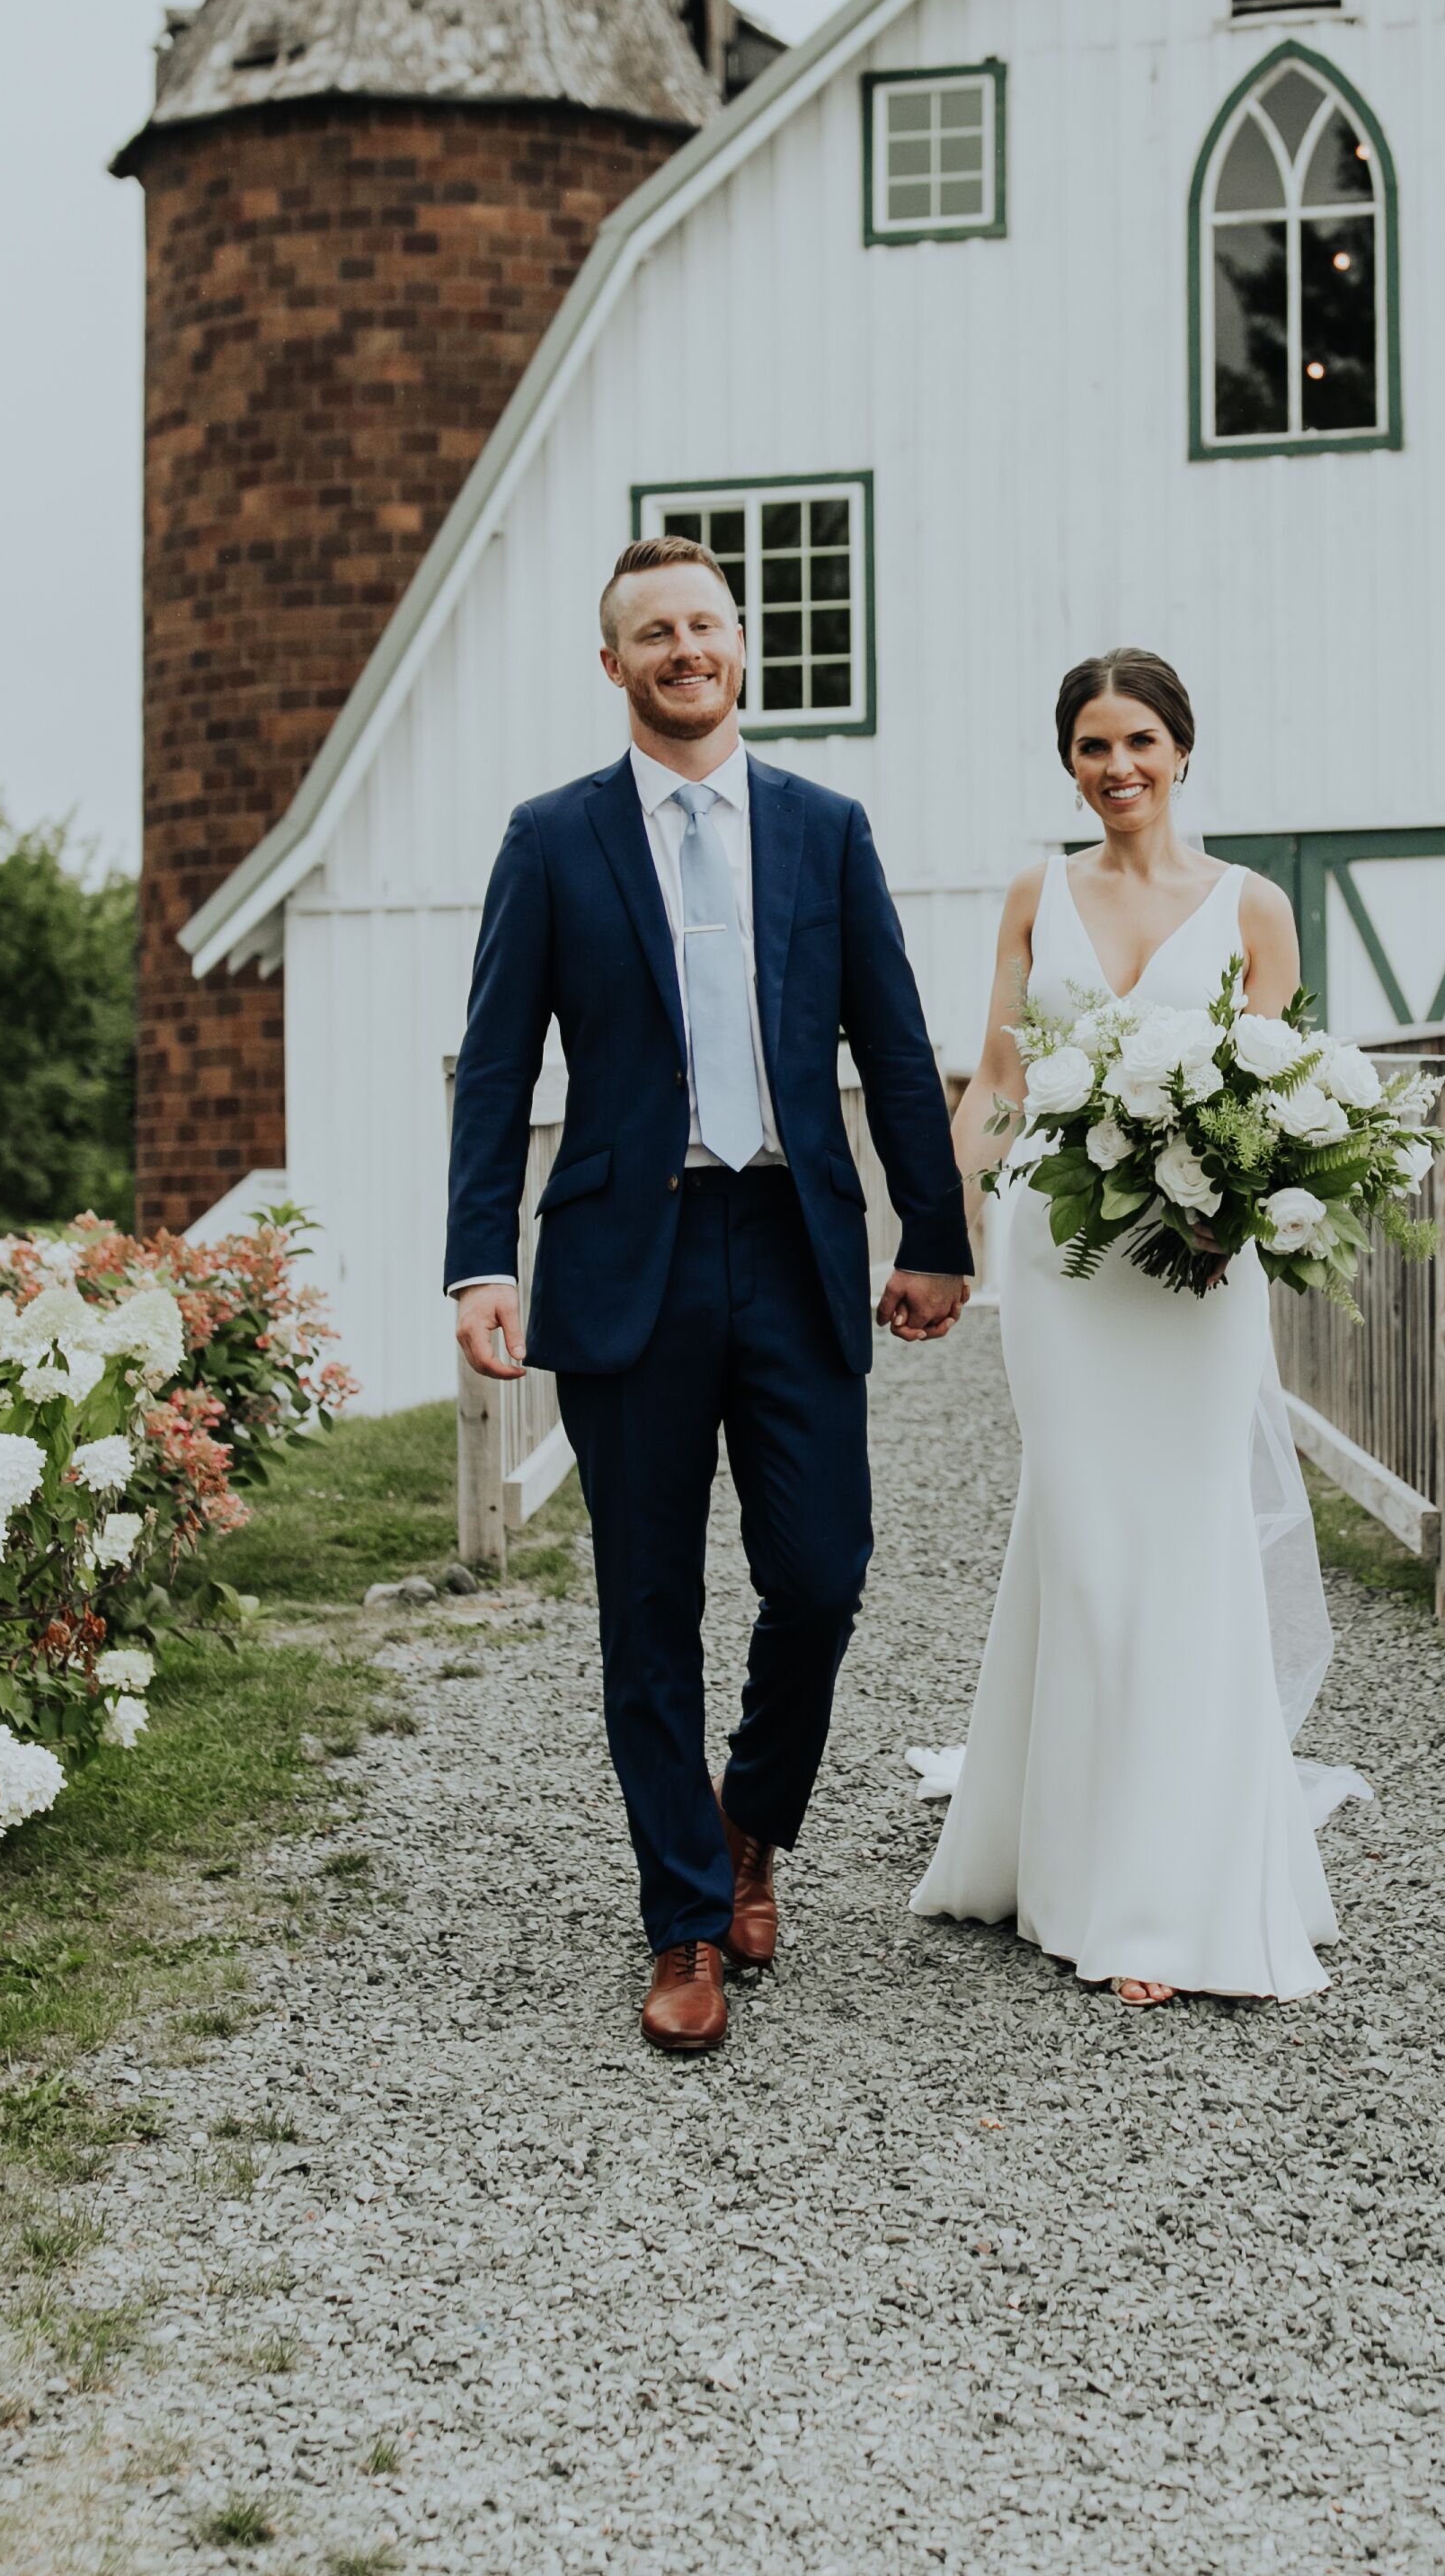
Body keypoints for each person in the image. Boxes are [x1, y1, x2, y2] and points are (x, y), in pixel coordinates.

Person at [445, 538, 973, 2057]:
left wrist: (933, 1232)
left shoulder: (824, 828)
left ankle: (753, 1818)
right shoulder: (551, 839)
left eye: (705, 626)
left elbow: (892, 1032)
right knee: (647, 1605)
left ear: (741, 650)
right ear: (612, 665)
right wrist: (481, 1257)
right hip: (630, 1262)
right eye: (652, 633)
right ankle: (683, 1917)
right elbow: (497, 1065)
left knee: (821, 1573)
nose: (685, 650)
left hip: (794, 1245)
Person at [909, 649, 1363, 2005]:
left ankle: (1167, 1896)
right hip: (1062, 1262)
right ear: (1070, 762)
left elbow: (1271, 1097)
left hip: (1193, 1268)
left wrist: (1237, 1208)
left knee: (1184, 1539)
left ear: (1183, 750)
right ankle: (1063, 1853)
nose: (1119, 769)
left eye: (1141, 742)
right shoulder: (1034, 892)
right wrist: (946, 1237)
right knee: (1087, 1538)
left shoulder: (1252, 909)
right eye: (1094, 747)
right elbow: (998, 1075)